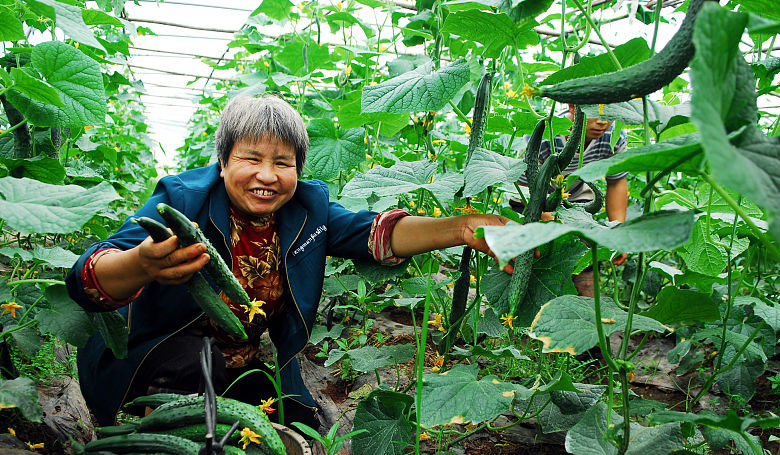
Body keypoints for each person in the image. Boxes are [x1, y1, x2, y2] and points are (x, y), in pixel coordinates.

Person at [65, 94, 511, 429]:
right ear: (223, 161)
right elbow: (86, 275)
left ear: (298, 168)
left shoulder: (306, 209)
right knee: (197, 365)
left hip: (236, 360)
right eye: (251, 158)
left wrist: (459, 228)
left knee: (292, 421)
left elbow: (376, 233)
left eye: (283, 162)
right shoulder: (182, 200)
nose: (267, 175)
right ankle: (152, 432)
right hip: (149, 357)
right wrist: (142, 264)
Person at [514, 103, 629, 296]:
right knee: (534, 254)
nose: (602, 121)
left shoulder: (614, 137)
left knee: (583, 249)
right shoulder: (546, 135)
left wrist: (618, 232)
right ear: (572, 107)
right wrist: (546, 216)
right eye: (595, 112)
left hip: (575, 199)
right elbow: (523, 185)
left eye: (609, 113)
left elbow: (616, 183)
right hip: (531, 199)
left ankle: (585, 299)